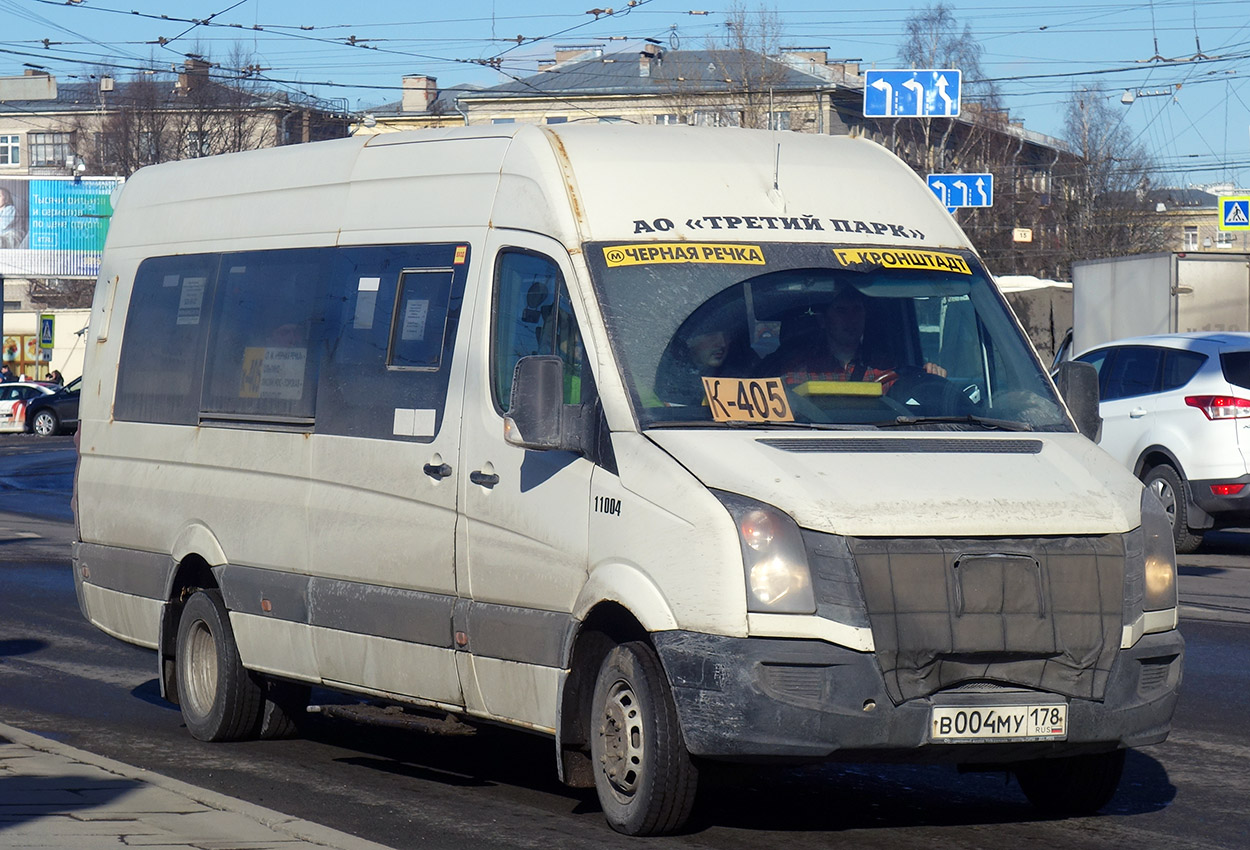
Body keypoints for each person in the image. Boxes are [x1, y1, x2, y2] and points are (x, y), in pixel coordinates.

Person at [763, 284, 945, 388]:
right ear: (824, 321)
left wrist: (930, 377)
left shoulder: (886, 366)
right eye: (841, 311)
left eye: (857, 310)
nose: (851, 319)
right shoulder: (796, 367)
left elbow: (907, 405)